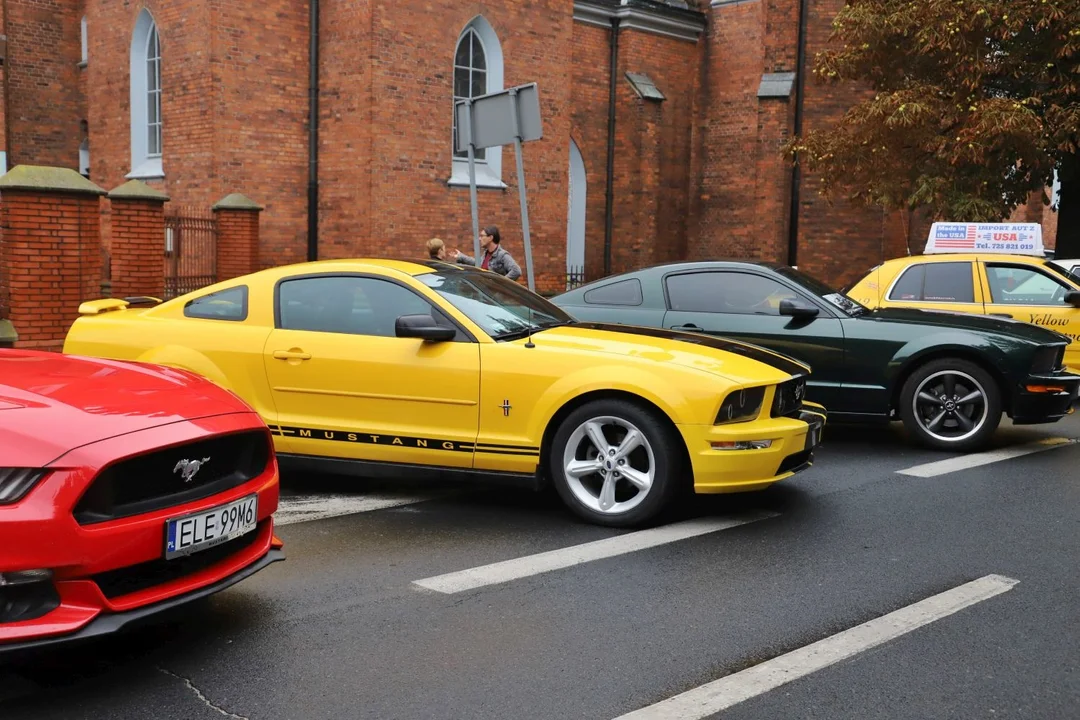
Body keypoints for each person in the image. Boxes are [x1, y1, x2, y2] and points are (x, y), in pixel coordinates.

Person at [450, 226, 522, 280]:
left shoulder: (502, 255)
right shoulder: (486, 254)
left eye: (482, 236)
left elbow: (516, 271)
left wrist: (501, 284)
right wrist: (460, 256)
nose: (479, 238)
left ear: (490, 238)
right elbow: (477, 263)